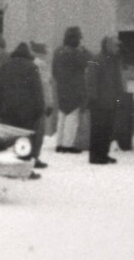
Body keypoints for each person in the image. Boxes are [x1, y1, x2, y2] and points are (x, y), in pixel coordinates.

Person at [0, 42, 49, 170]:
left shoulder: (5, 66)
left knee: (11, 139)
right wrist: (39, 109)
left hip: (7, 110)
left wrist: (0, 107)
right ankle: (25, 168)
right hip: (26, 111)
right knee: (26, 140)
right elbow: (37, 90)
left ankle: (10, 166)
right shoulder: (31, 67)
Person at [86, 36, 125, 164]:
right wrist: (93, 98)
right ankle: (96, 156)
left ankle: (103, 153)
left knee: (108, 129)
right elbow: (91, 81)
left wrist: (120, 96)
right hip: (99, 102)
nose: (117, 48)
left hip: (111, 101)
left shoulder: (114, 61)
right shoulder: (96, 60)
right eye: (115, 45)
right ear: (107, 45)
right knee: (98, 130)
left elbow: (117, 81)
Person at [50, 29, 90, 154]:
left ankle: (59, 143)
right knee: (72, 116)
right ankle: (68, 145)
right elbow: (90, 61)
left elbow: (54, 70)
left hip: (61, 87)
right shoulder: (76, 53)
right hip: (75, 88)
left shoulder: (58, 51)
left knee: (62, 115)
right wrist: (84, 50)